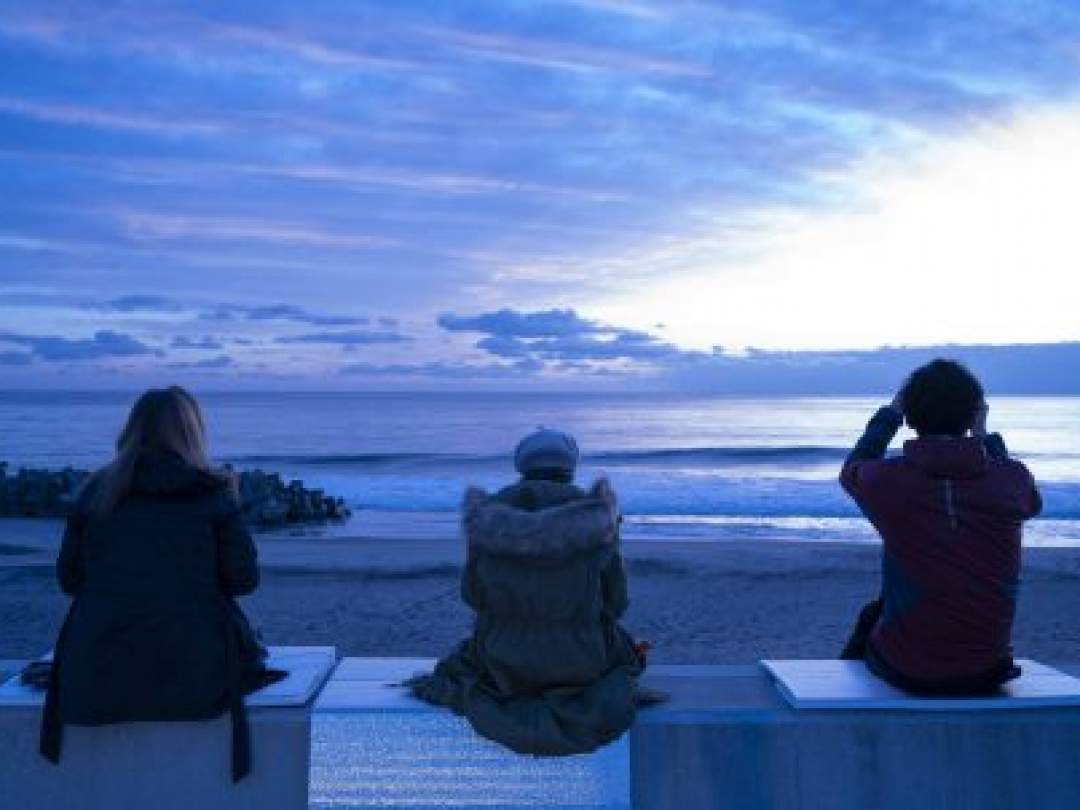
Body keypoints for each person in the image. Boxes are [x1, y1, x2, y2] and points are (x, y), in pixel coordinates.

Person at [39, 386, 278, 781]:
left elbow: (70, 581)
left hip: (96, 674)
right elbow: (243, 580)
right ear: (192, 432)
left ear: (131, 430)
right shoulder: (212, 493)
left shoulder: (95, 493)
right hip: (197, 677)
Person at [406, 428, 648, 755]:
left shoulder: (488, 517)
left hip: (503, 666)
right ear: (569, 466)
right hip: (580, 662)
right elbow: (616, 604)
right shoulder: (595, 516)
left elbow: (472, 595)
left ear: (522, 465)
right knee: (626, 653)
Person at [839, 359, 1042, 694]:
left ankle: (850, 719)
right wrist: (984, 436)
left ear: (910, 417)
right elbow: (1029, 502)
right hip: (988, 669)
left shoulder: (886, 480)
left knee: (872, 618)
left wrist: (890, 415)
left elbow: (853, 469)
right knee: (882, 609)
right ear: (975, 414)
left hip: (911, 670)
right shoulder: (1013, 479)